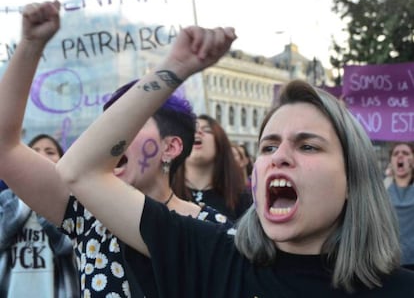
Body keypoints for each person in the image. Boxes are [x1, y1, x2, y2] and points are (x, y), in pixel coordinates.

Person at [54, 20, 414, 296]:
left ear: (353, 178)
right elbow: (78, 169)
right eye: (269, 146)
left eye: (307, 146)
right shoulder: (211, 255)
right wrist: (173, 70)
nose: (280, 157)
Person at [0, 0, 232, 297]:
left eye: (129, 124)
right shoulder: (86, 214)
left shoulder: (218, 230)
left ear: (171, 147)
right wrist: (31, 44)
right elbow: (5, 148)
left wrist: (177, 66)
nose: (109, 142)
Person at [0, 133, 79, 298]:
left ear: (62, 161)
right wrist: (29, 193)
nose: (41, 156)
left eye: (50, 152)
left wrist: (44, 195)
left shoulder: (73, 203)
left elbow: (67, 246)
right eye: (33, 151)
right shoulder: (6, 199)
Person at [172, 114, 252, 221]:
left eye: (207, 130)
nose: (198, 132)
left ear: (220, 143)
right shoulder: (165, 192)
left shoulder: (241, 198)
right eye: (192, 129)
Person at [386, 142, 414, 270]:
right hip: (390, 261)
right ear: (391, 162)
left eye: (406, 153)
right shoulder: (382, 189)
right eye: (396, 154)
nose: (400, 156)